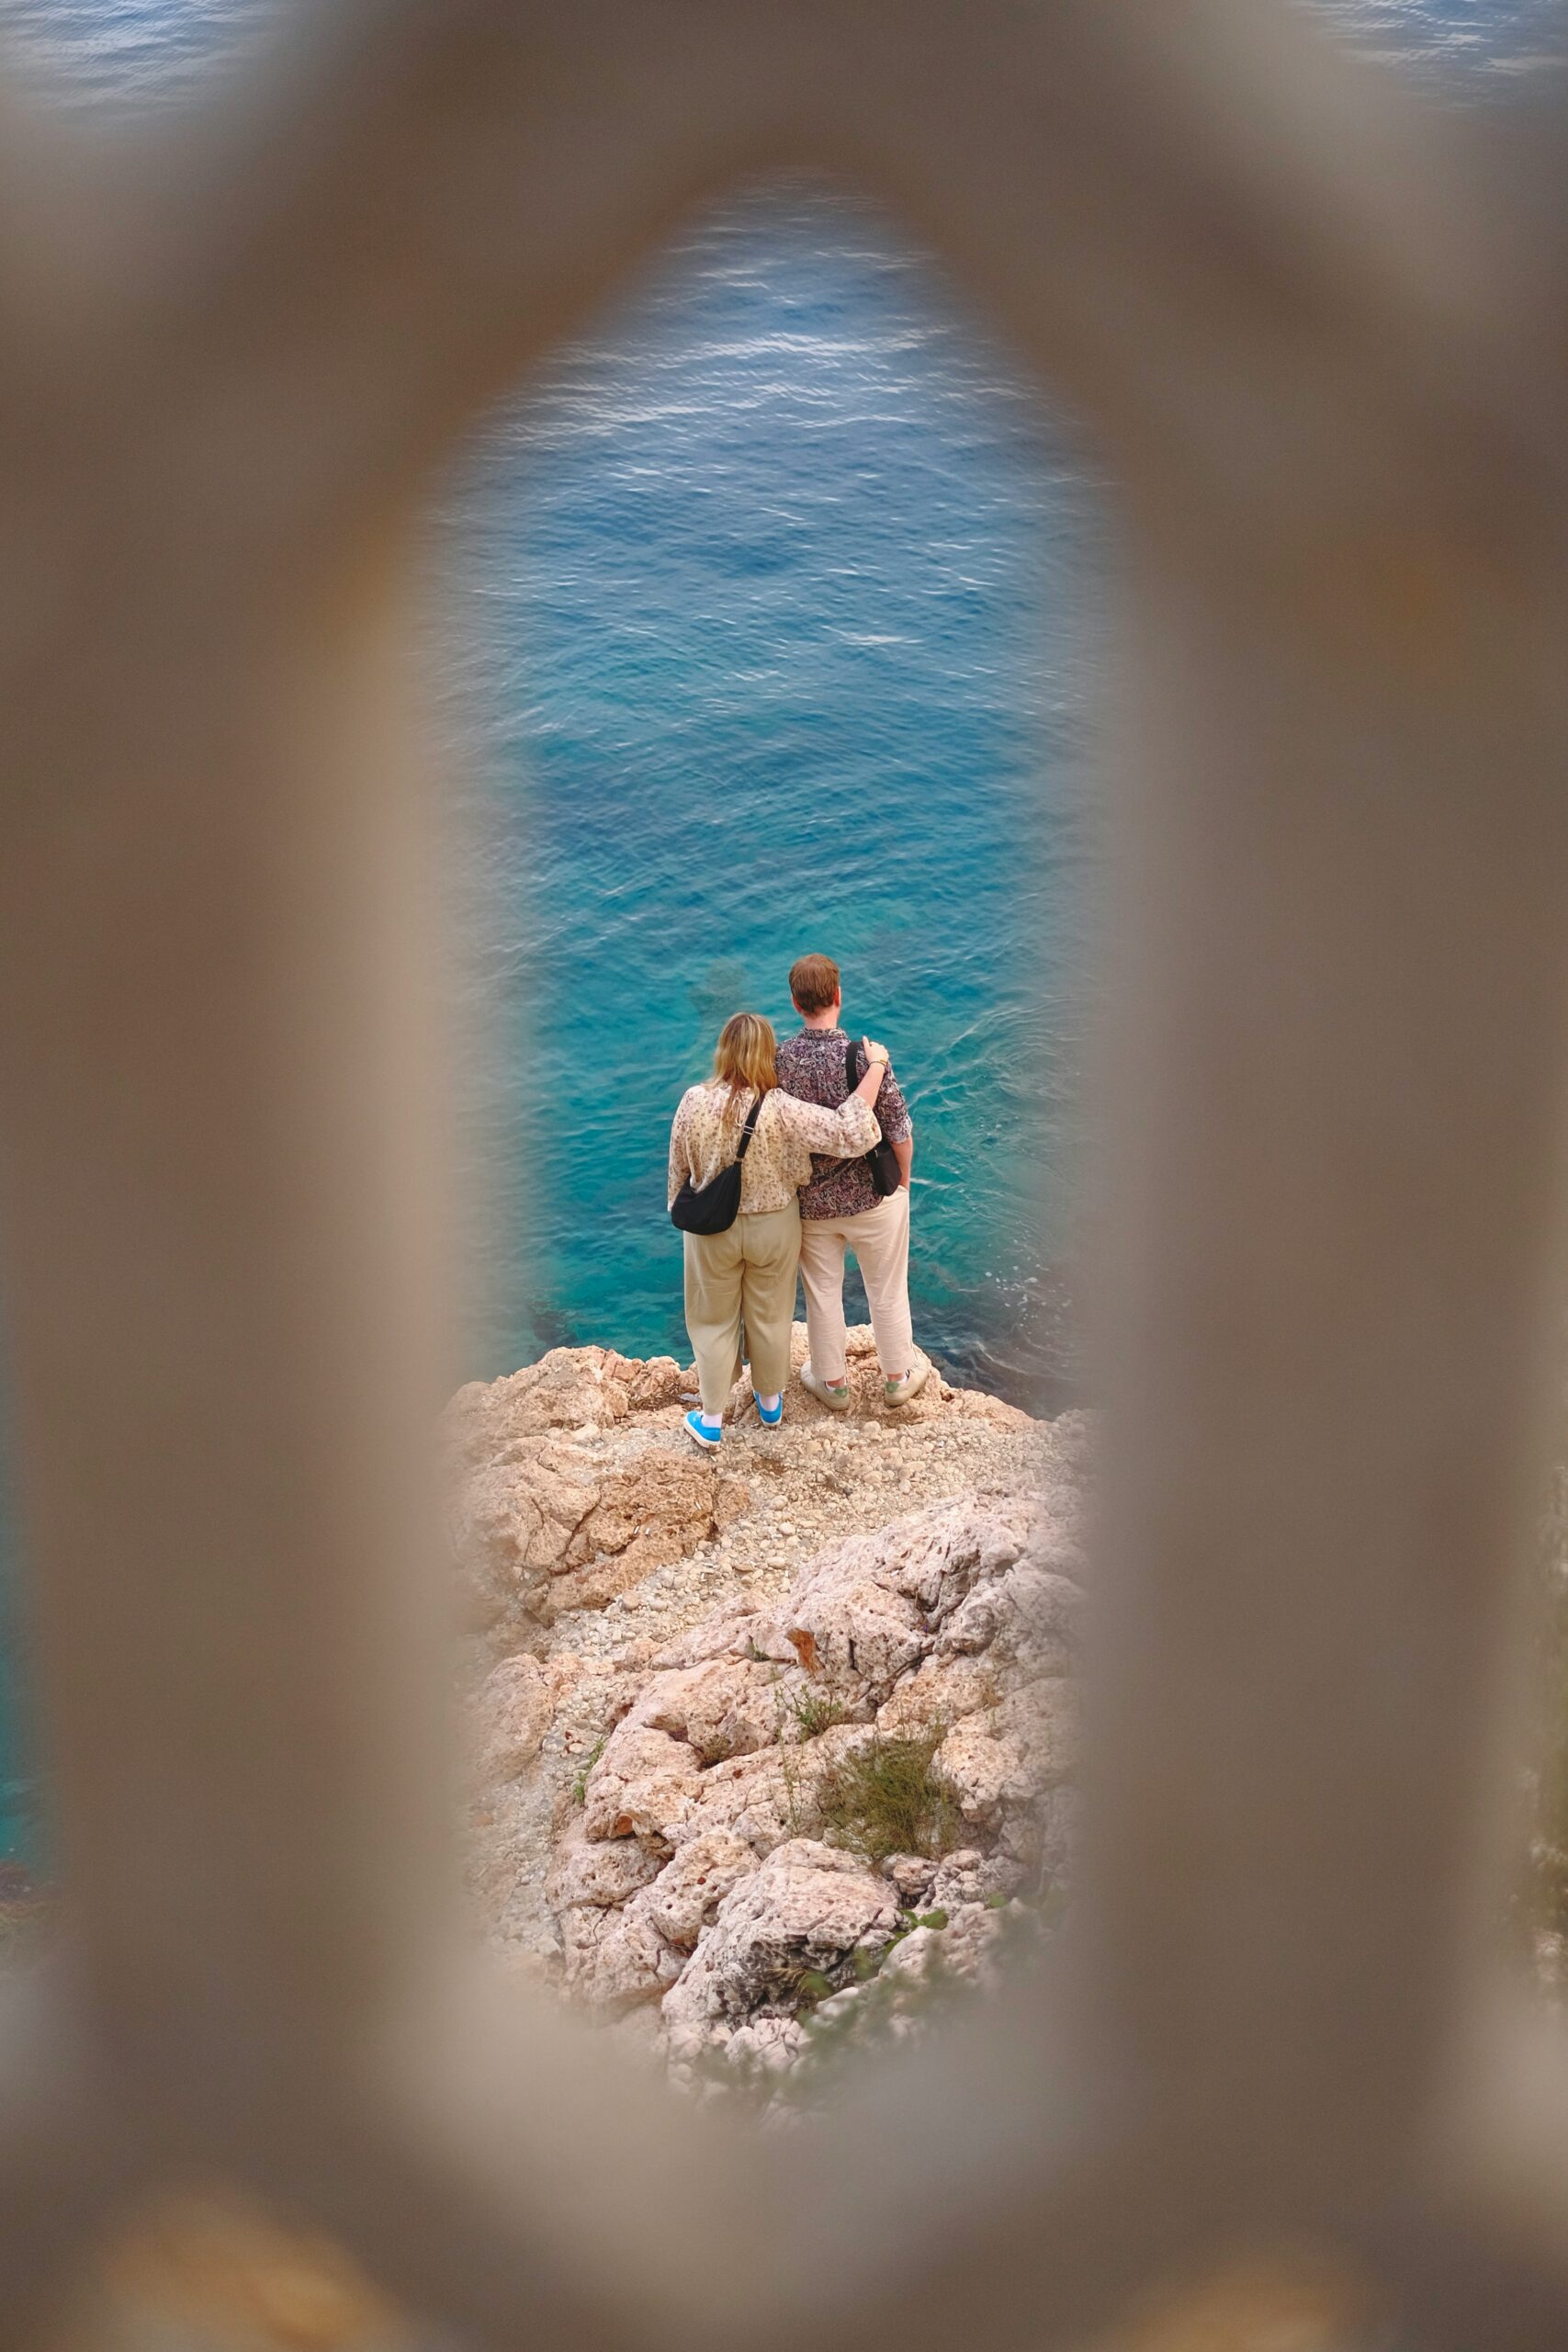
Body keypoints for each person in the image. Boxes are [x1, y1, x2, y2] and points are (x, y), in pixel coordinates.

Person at [669, 1012, 889, 1450]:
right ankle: (770, 1404)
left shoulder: (693, 1100)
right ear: (767, 1054)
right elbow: (850, 1132)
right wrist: (877, 1067)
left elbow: (678, 1172)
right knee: (771, 1314)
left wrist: (684, 1211)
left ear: (724, 1051)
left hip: (712, 1230)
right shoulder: (781, 1107)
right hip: (775, 1225)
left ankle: (711, 1420)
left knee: (713, 1320)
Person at [775, 952, 926, 1409]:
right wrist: (903, 1184)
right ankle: (897, 1379)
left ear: (795, 1003)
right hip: (874, 1199)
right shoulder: (865, 1057)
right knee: (887, 1289)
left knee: (822, 1294)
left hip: (812, 1205)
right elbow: (898, 1130)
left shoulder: (780, 1060)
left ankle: (833, 1385)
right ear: (838, 996)